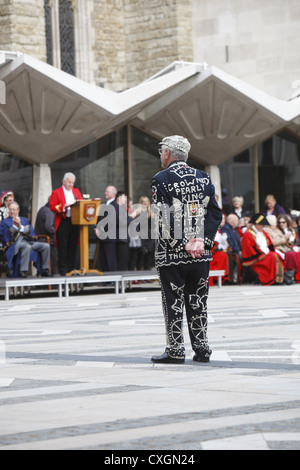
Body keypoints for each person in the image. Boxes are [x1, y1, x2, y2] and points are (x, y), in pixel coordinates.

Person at [150, 135, 222, 365]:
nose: (160, 155)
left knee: (173, 302)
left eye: (162, 151)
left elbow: (163, 217)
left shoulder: (161, 179)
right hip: (200, 254)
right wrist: (201, 241)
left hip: (171, 255)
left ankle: (176, 350)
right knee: (198, 301)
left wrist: (183, 243)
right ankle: (202, 349)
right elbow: (215, 214)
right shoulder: (204, 177)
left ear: (168, 153)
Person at [0, 202, 50, 278]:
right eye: (10, 209)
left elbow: (30, 230)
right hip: (14, 244)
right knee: (26, 247)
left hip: (28, 241)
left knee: (46, 246)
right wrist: (14, 227)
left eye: (14, 209)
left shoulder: (24, 220)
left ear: (18, 210)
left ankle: (45, 270)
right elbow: (5, 236)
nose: (12, 211)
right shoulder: (4, 222)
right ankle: (22, 271)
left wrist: (21, 227)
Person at [49, 173, 82, 276]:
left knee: (73, 244)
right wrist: (64, 206)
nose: (71, 184)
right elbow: (52, 206)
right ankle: (63, 268)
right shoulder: (56, 192)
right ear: (63, 181)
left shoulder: (76, 191)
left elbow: (81, 202)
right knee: (62, 246)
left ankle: (71, 267)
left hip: (75, 221)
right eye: (69, 182)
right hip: (63, 220)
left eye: (72, 182)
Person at [241, 213, 284, 285]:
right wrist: (262, 255)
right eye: (262, 224)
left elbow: (270, 244)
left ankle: (277, 279)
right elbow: (249, 249)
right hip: (256, 258)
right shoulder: (248, 234)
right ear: (256, 224)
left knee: (276, 255)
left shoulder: (263, 232)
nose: (263, 226)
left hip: (265, 254)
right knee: (273, 256)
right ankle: (270, 279)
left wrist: (273, 252)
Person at [264, 215, 300, 285]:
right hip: (278, 249)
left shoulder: (277, 230)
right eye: (278, 222)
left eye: (283, 222)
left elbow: (286, 242)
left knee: (295, 253)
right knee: (292, 254)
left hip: (285, 248)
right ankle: (288, 277)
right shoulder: (267, 231)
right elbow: (272, 242)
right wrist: (285, 238)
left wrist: (289, 241)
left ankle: (290, 277)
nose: (280, 224)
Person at [96, 185, 119, 272]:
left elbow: (112, 221)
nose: (105, 193)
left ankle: (112, 280)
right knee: (103, 260)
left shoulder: (115, 206)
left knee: (110, 260)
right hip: (102, 237)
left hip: (110, 237)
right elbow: (99, 219)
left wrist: (100, 228)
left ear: (113, 194)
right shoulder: (104, 205)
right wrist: (96, 228)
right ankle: (106, 280)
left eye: (107, 192)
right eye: (105, 191)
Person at [34, 199, 58, 275]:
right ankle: (53, 282)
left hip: (41, 239)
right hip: (47, 240)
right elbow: (49, 227)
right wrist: (58, 232)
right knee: (53, 261)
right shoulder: (49, 212)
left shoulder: (42, 209)